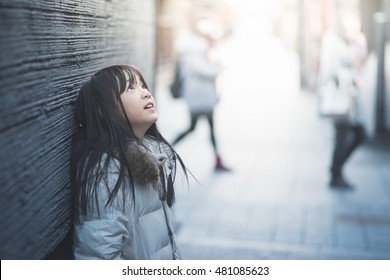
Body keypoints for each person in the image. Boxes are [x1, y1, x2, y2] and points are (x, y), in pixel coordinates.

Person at [71, 64, 187, 259]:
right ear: (103, 110)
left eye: (143, 85)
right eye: (130, 88)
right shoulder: (109, 173)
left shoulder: (154, 155)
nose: (145, 93)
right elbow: (98, 256)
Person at [172, 16, 231, 172]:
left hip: (203, 98)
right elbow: (203, 70)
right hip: (198, 98)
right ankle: (167, 150)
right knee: (193, 128)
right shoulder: (193, 52)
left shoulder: (198, 50)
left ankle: (218, 159)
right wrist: (220, 67)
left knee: (205, 128)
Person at [318, 10, 367, 189]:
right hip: (339, 101)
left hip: (347, 102)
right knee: (345, 136)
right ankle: (335, 173)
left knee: (356, 135)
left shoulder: (348, 42)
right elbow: (332, 73)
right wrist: (353, 78)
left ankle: (336, 171)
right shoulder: (332, 43)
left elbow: (359, 64)